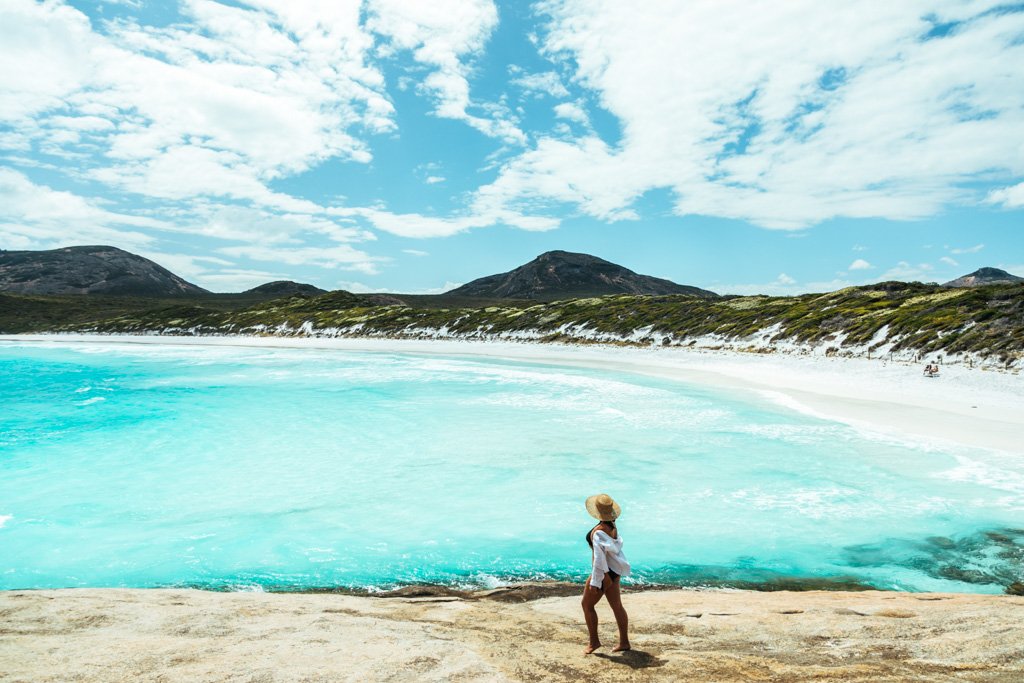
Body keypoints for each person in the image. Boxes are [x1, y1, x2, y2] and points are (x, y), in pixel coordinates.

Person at [581, 493, 631, 655]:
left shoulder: (598, 532)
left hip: (604, 573)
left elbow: (599, 559)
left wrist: (597, 581)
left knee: (587, 605)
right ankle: (624, 642)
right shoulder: (612, 527)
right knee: (617, 607)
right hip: (614, 572)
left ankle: (594, 642)